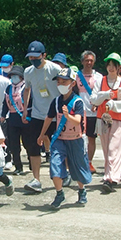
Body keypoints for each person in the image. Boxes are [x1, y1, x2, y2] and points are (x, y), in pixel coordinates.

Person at [38, 68, 91, 208]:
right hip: (60, 139)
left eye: (64, 81)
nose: (61, 84)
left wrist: (68, 116)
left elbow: (78, 120)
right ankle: (59, 193)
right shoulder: (55, 102)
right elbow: (49, 118)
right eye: (59, 82)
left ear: (72, 83)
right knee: (55, 164)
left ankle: (81, 190)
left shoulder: (77, 102)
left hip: (75, 139)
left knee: (77, 167)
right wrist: (42, 134)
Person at [21, 40, 61, 193]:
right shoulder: (28, 72)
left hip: (55, 115)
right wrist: (25, 109)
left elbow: (67, 84)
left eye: (36, 57)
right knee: (33, 146)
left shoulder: (54, 69)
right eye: (30, 57)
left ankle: (64, 173)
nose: (33, 60)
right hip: (37, 114)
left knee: (59, 147)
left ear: (44, 55)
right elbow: (27, 90)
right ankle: (36, 179)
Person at [90, 53, 121, 192]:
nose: (111, 68)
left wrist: (113, 104)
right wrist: (106, 95)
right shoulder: (101, 81)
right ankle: (108, 176)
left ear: (119, 67)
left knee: (115, 149)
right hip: (102, 119)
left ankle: (112, 178)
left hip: (119, 120)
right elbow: (93, 99)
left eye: (114, 65)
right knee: (107, 149)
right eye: (109, 65)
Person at [0, 65, 31, 175]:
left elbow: (31, 102)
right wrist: (3, 115)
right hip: (12, 118)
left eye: (16, 76)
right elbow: (5, 103)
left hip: (25, 118)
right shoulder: (8, 88)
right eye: (12, 76)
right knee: (14, 144)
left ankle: (32, 162)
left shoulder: (26, 87)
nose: (14, 78)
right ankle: (18, 166)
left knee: (27, 142)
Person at [77, 51, 102, 173]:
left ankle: (89, 162)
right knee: (78, 137)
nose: (89, 63)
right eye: (86, 60)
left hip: (93, 112)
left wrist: (98, 105)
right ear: (82, 61)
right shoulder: (76, 76)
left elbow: (102, 95)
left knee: (91, 138)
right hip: (79, 112)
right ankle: (79, 161)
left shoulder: (99, 77)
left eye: (91, 60)